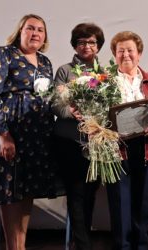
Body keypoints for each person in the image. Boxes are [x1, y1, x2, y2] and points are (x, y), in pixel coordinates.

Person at [0, 14, 56, 250]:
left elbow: (47, 97)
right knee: (10, 190)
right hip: (10, 132)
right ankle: (15, 247)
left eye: (40, 30)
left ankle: (20, 244)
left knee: (26, 190)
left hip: (36, 134)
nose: (35, 33)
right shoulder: (3, 54)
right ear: (19, 31)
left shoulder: (45, 62)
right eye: (30, 28)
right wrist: (4, 134)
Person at [106, 31, 148, 250]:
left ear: (139, 54)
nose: (126, 54)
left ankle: (141, 244)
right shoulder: (104, 83)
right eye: (120, 51)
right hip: (117, 149)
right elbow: (97, 117)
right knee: (120, 201)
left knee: (144, 200)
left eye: (130, 50)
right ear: (114, 54)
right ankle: (122, 245)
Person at [52, 23, 105, 250]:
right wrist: (71, 112)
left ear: (98, 46)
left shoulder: (105, 72)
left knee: (91, 192)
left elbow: (110, 104)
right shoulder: (65, 70)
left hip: (95, 142)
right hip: (69, 142)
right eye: (81, 42)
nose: (86, 46)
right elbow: (55, 104)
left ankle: (80, 238)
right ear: (75, 45)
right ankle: (83, 244)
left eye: (91, 42)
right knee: (76, 192)